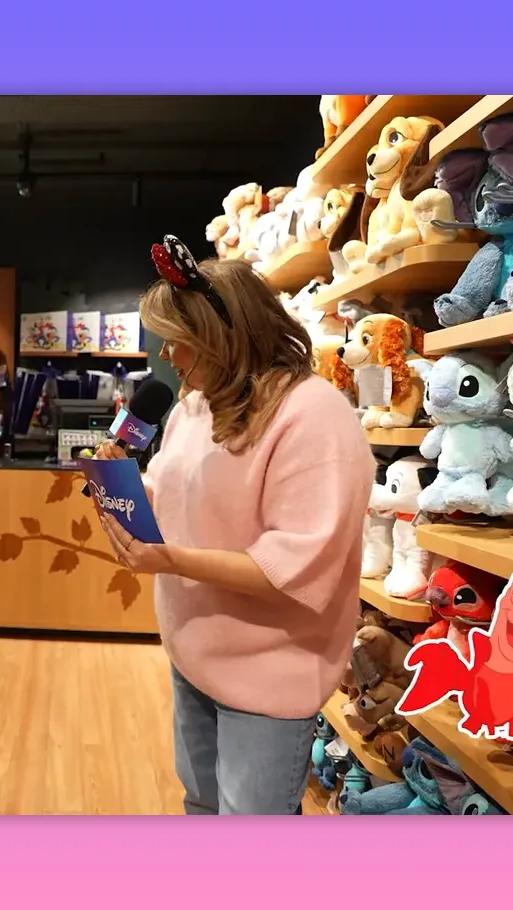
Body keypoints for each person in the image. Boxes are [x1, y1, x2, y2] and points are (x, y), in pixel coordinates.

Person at [93, 235, 372, 816]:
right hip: (193, 650)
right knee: (200, 803)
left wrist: (168, 559)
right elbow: (180, 500)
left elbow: (291, 565)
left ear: (222, 336)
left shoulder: (314, 415)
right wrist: (123, 489)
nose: (168, 358)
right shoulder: (198, 405)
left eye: (180, 342)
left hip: (269, 671)